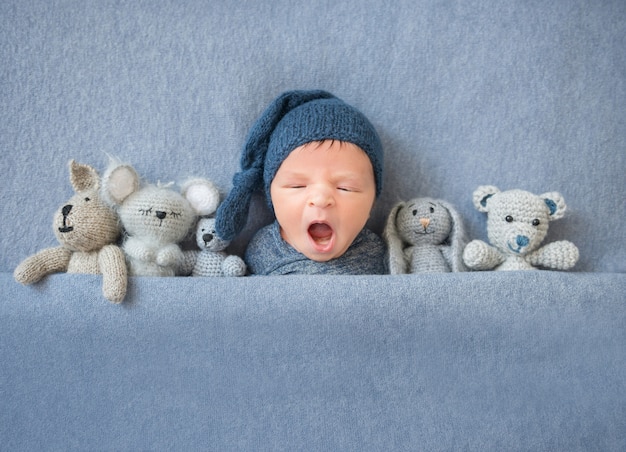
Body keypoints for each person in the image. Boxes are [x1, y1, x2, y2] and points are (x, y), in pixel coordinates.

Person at [215, 90, 386, 275]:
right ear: (270, 195)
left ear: (372, 202)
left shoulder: (375, 254)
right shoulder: (265, 250)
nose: (321, 199)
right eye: (297, 186)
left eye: (346, 188)